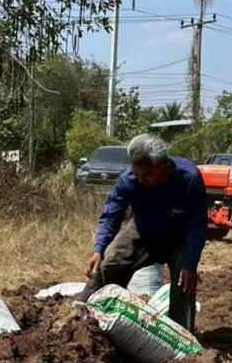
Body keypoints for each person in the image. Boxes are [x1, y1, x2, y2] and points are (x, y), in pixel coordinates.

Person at [77, 133, 207, 333]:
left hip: (178, 236)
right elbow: (111, 215)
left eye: (146, 175)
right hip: (142, 230)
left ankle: (182, 337)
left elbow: (197, 225)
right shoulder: (128, 180)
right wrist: (98, 249)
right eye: (135, 173)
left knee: (184, 281)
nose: (139, 179)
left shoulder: (189, 178)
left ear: (162, 165)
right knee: (110, 263)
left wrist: (190, 264)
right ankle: (82, 319)